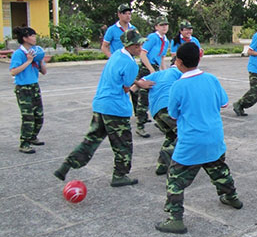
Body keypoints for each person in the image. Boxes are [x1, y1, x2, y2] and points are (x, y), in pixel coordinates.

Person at [155, 42, 242, 234]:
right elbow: (224, 103)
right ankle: (231, 197)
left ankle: (175, 219)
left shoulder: (178, 85)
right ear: (199, 58)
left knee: (175, 180)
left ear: (178, 62)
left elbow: (173, 115)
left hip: (191, 142)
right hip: (214, 137)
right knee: (219, 169)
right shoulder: (211, 79)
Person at [53, 29, 145, 187]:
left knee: (91, 139)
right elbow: (125, 88)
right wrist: (141, 85)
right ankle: (119, 175)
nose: (140, 47)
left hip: (100, 105)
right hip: (115, 108)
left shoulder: (116, 55)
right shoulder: (131, 64)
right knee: (123, 144)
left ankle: (66, 165)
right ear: (131, 45)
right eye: (138, 44)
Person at [133, 64, 182, 175]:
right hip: (169, 107)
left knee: (171, 135)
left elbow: (135, 87)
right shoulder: (179, 73)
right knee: (186, 133)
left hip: (156, 111)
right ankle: (168, 152)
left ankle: (162, 165)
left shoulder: (156, 74)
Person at [9, 27, 47, 154]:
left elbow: (44, 72)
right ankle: (24, 143)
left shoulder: (35, 52)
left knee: (39, 116)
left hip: (34, 86)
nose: (35, 38)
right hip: (23, 88)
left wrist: (40, 60)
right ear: (25, 38)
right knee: (28, 117)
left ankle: (32, 137)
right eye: (32, 36)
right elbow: (13, 71)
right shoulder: (19, 54)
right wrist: (29, 61)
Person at [134, 17, 170, 138]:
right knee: (143, 97)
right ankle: (140, 125)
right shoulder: (153, 37)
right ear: (156, 27)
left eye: (166, 25)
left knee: (157, 95)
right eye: (161, 25)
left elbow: (162, 58)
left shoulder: (166, 40)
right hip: (147, 68)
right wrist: (150, 70)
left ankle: (160, 121)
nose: (164, 27)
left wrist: (165, 72)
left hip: (155, 68)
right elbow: (143, 54)